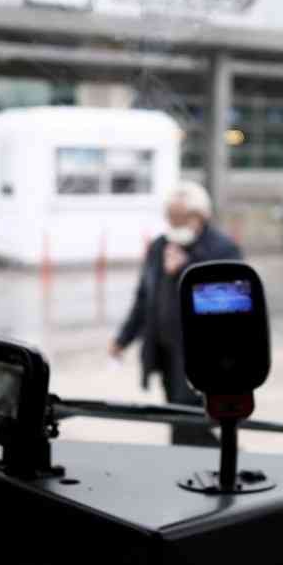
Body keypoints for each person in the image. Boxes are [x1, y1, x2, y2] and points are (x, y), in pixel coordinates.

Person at [110, 180, 242, 445]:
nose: (174, 225)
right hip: (166, 351)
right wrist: (123, 339)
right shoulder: (160, 246)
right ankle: (197, 461)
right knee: (176, 416)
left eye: (181, 218)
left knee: (191, 420)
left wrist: (187, 267)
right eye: (171, 218)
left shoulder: (222, 248)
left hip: (203, 354)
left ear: (200, 217)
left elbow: (232, 302)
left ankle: (218, 462)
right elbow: (144, 297)